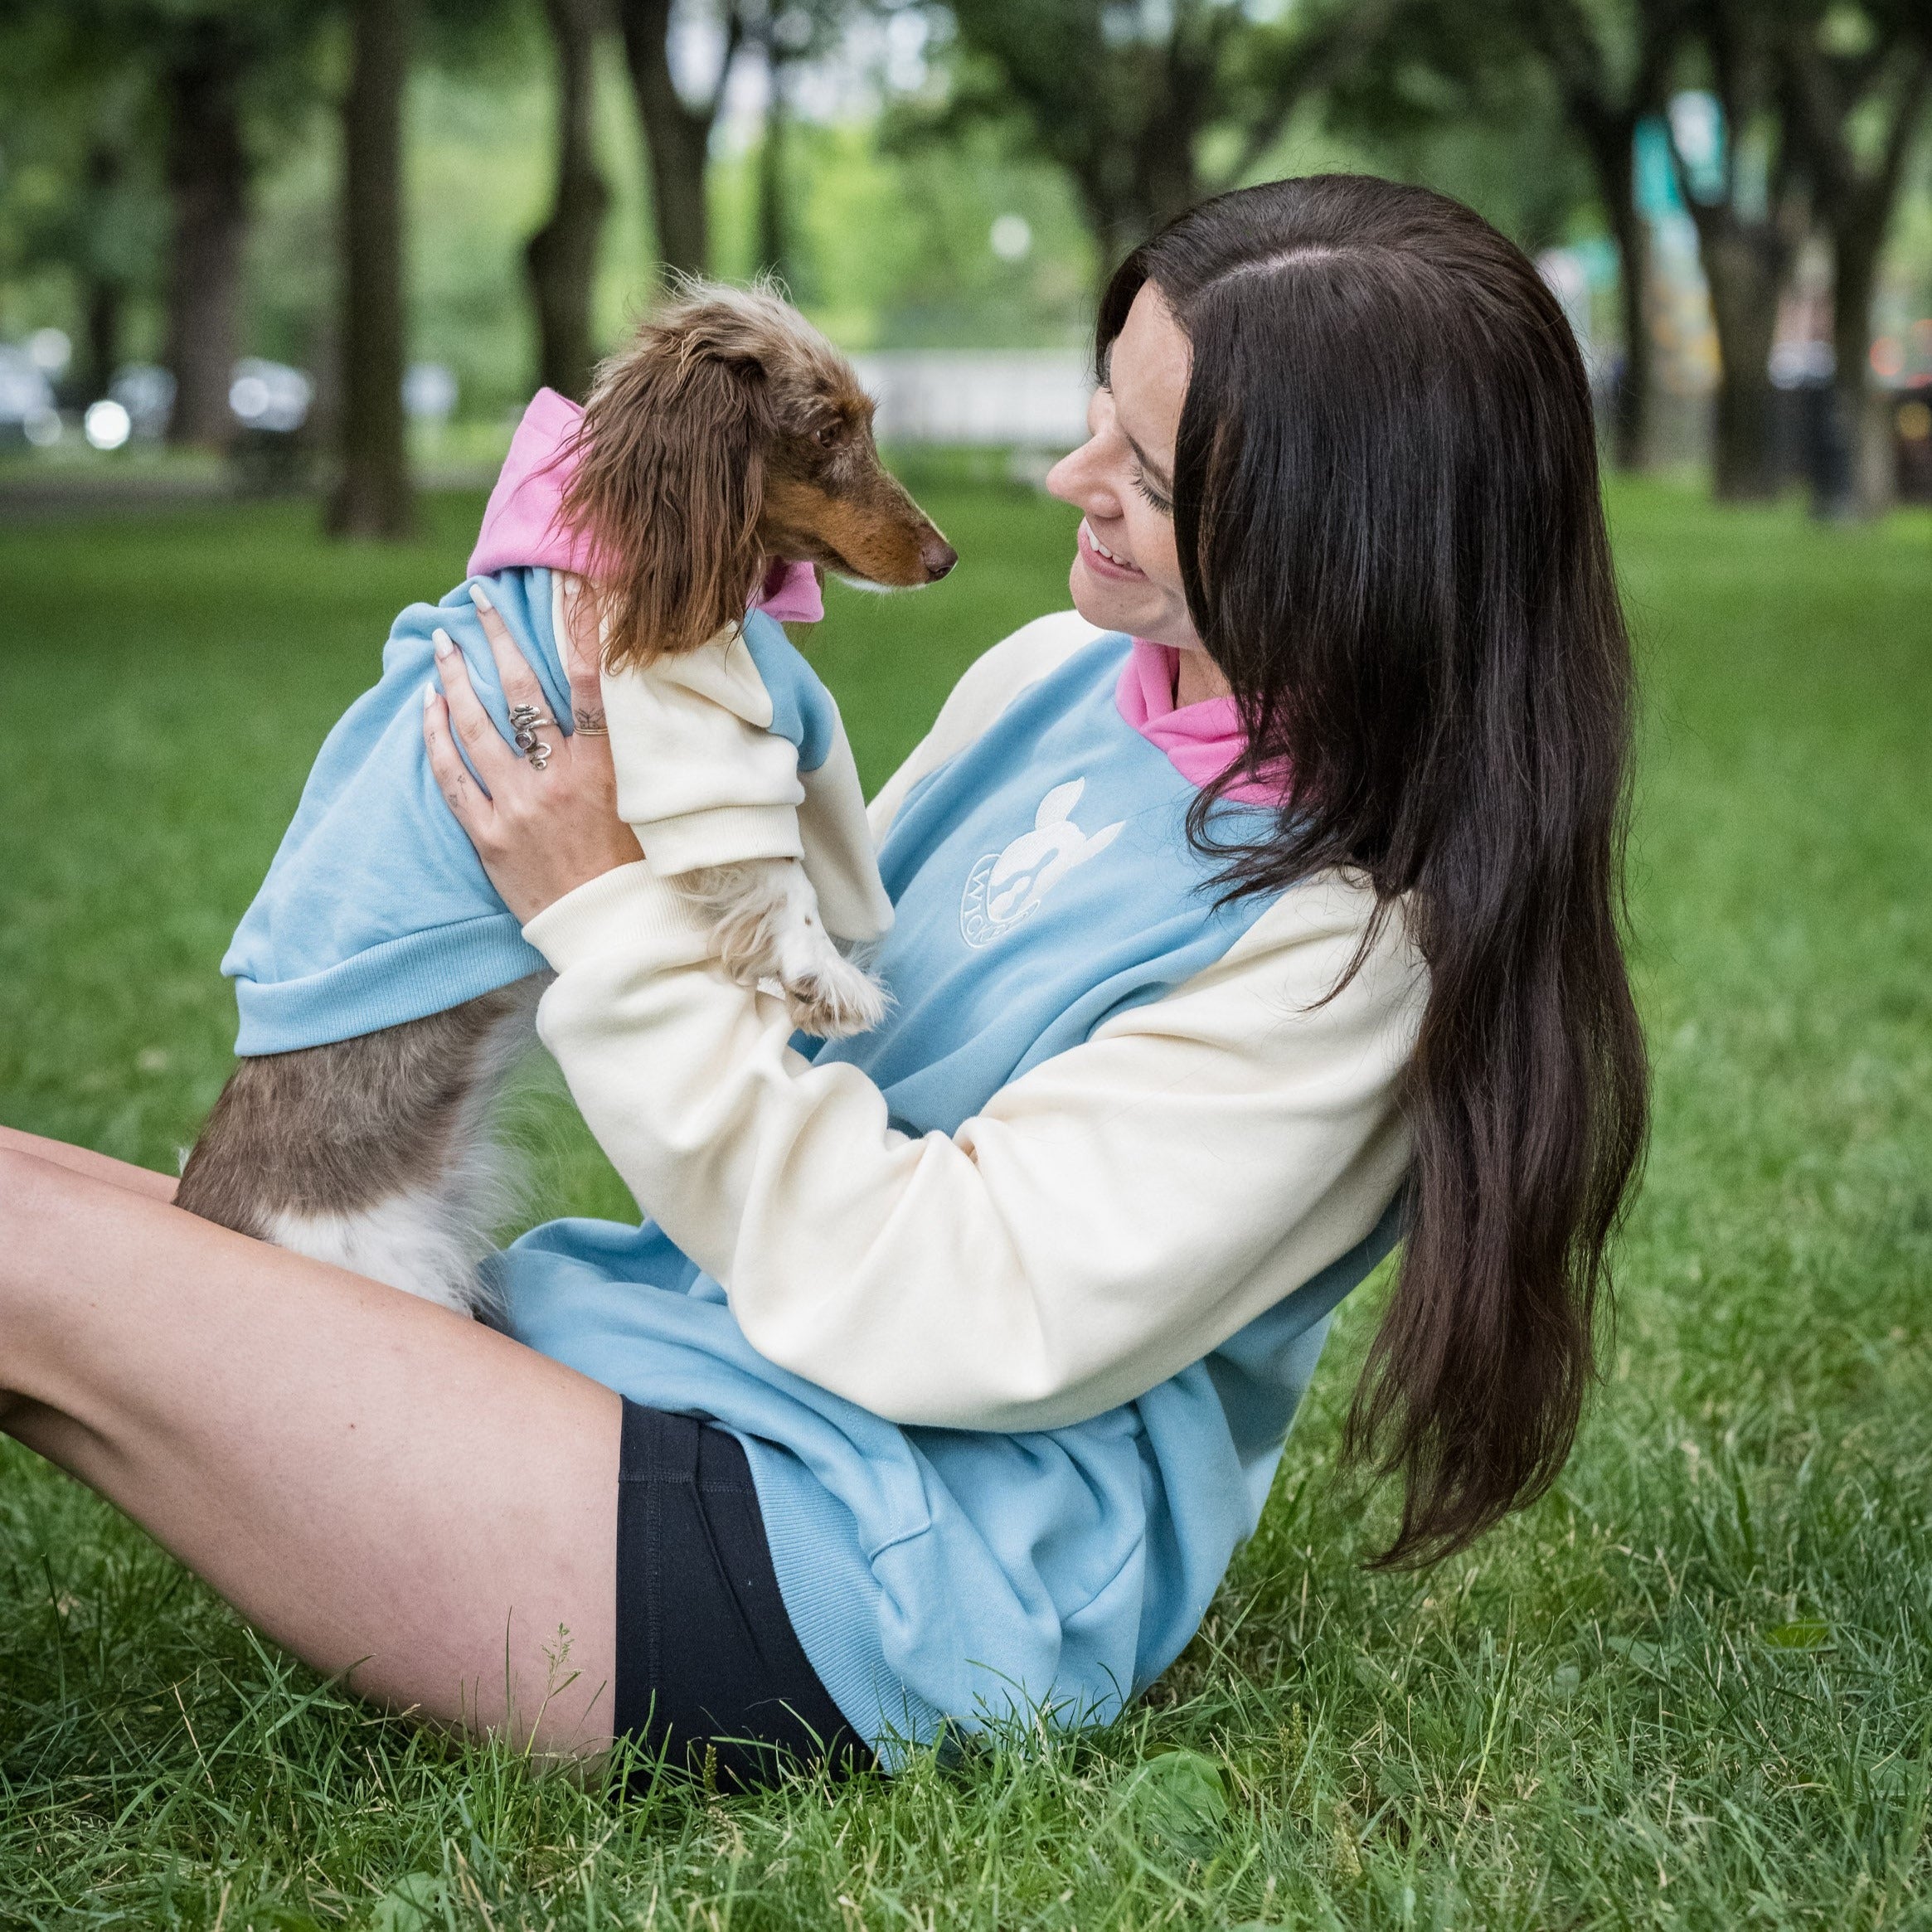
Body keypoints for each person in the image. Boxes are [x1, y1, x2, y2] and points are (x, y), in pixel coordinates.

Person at [0, 175, 1647, 1785]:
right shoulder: (1068, 674)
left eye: (1144, 473)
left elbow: (946, 1305)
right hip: (675, 1366)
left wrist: (600, 905)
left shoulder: (1349, 952)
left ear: (1343, 544)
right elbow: (809, 989)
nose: (1068, 477)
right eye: (1099, 414)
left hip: (866, 1566)